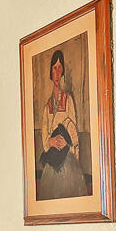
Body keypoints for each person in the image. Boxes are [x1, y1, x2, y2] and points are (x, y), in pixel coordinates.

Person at [37, 48, 88, 199]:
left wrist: (67, 141)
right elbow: (44, 134)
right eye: (54, 68)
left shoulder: (69, 101)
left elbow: (73, 129)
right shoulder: (47, 107)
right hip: (53, 158)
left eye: (60, 68)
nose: (57, 72)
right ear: (51, 73)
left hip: (66, 156)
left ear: (63, 71)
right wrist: (50, 141)